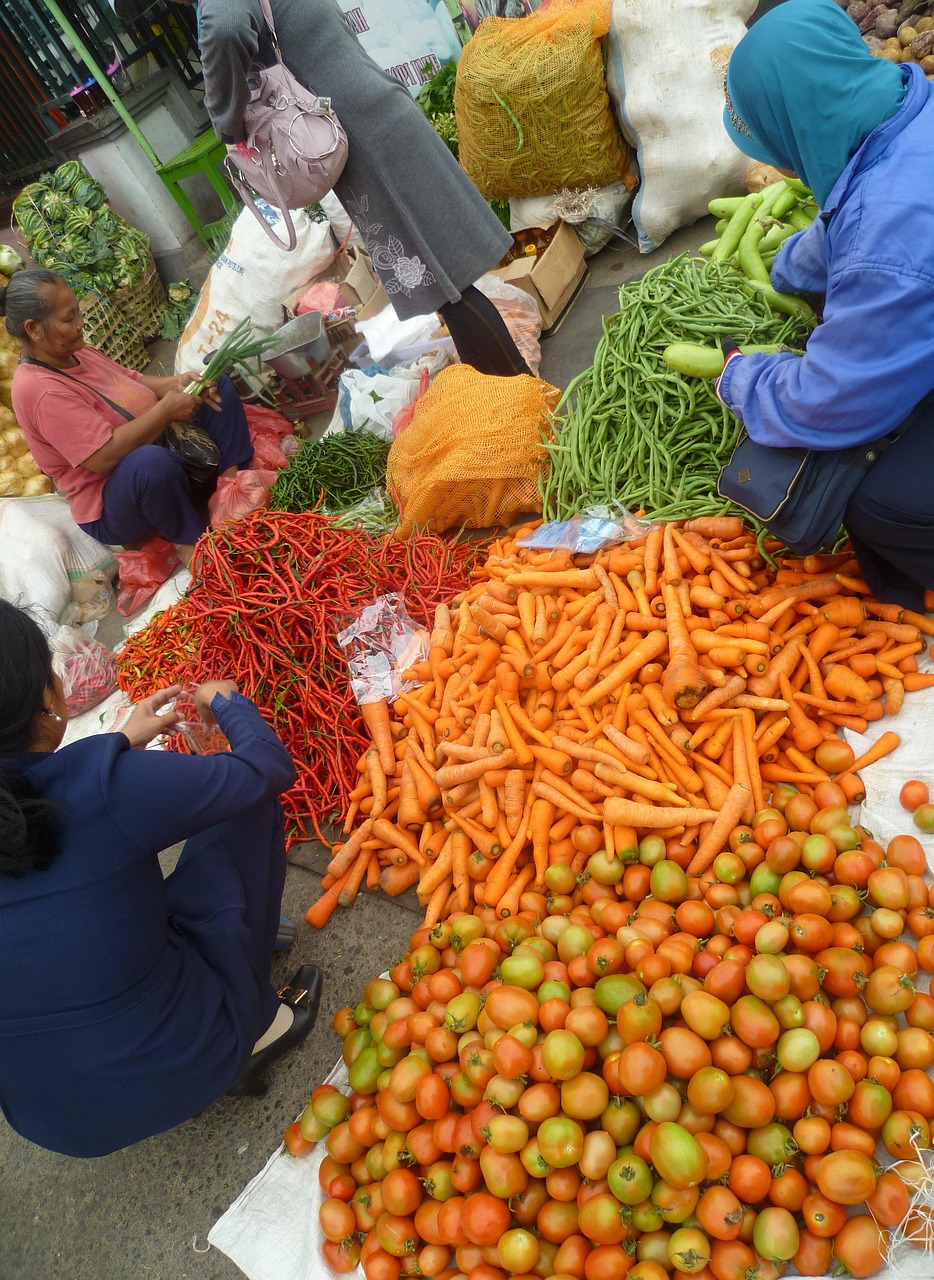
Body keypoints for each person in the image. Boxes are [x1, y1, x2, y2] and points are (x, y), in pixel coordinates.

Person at [0, 600, 321, 1158]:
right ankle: (259, 1025)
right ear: (45, 700)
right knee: (243, 808)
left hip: (55, 1123)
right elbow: (267, 770)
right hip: (185, 1062)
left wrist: (118, 741)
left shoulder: (98, 779)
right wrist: (228, 700)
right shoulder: (103, 788)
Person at [115, 0, 531, 378]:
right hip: (375, 117)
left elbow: (224, 30)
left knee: (447, 287)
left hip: (370, 143)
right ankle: (502, 395)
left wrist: (228, 124)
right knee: (445, 283)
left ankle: (522, 393)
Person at [715, 0, 934, 610]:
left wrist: (742, 375)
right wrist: (792, 266)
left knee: (882, 499)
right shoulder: (918, 108)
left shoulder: (892, 239)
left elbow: (827, 405)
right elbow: (855, 218)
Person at [5, 269, 254, 558]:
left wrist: (178, 384)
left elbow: (133, 381)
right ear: (33, 329)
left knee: (216, 383)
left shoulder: (75, 351)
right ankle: (191, 542)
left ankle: (231, 491)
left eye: (77, 313)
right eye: (68, 319)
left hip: (164, 449)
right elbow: (104, 457)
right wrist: (165, 410)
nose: (80, 323)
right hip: (116, 500)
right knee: (150, 465)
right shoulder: (40, 391)